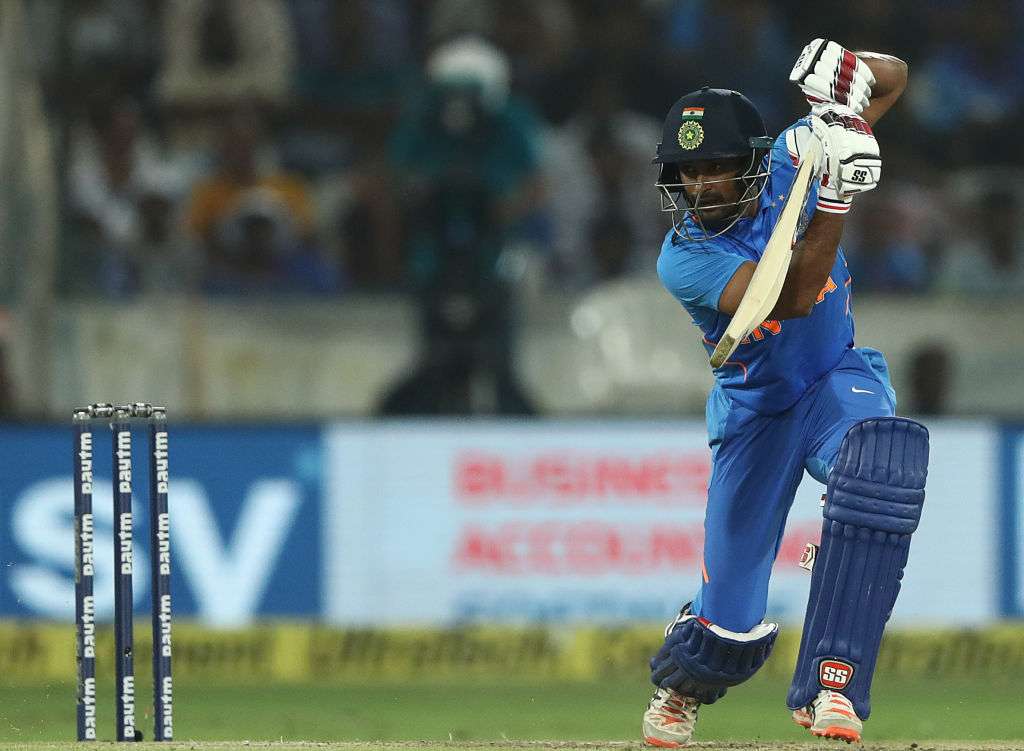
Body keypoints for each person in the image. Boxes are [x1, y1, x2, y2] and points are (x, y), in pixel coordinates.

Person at [641, 40, 926, 746]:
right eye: (688, 172)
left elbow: (893, 80)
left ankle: (836, 684)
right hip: (756, 413)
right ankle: (682, 685)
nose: (702, 185)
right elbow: (794, 298)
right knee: (728, 629)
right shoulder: (685, 258)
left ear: (755, 161)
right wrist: (836, 195)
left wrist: (842, 81)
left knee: (879, 470)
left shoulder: (797, 153)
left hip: (835, 379)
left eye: (717, 166)